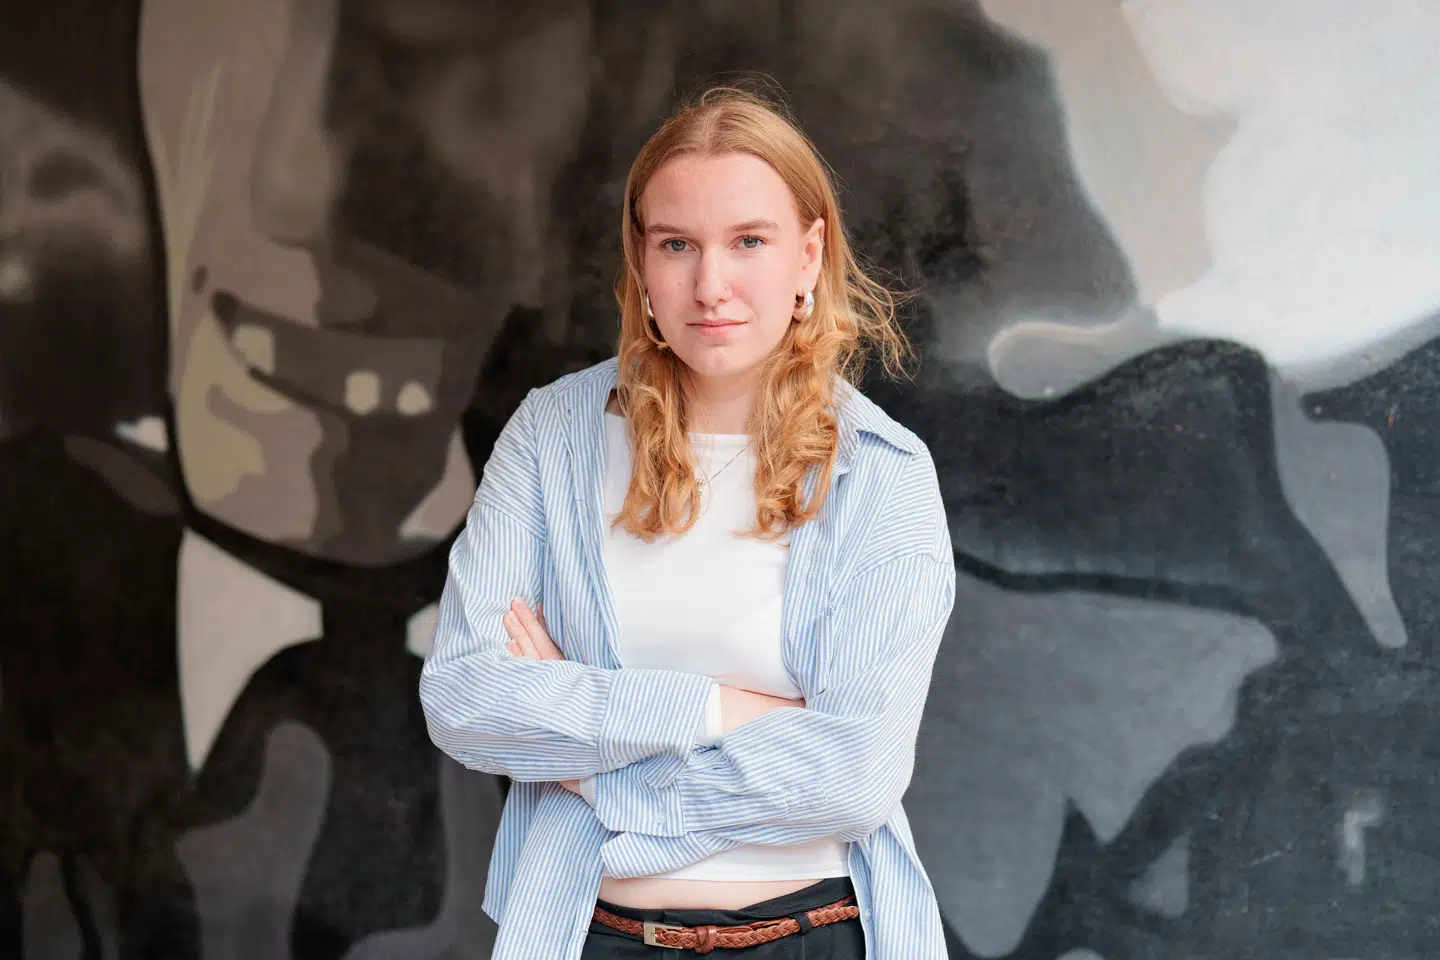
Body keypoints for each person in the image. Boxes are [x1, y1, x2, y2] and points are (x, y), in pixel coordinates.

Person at [421, 86, 957, 958]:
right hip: (592, 936)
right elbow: (465, 698)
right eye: (677, 244)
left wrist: (595, 770)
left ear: (809, 254)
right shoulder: (553, 437)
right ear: (641, 260)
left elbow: (855, 777)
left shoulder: (881, 474)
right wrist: (716, 708)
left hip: (813, 938)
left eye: (749, 241)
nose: (711, 285)